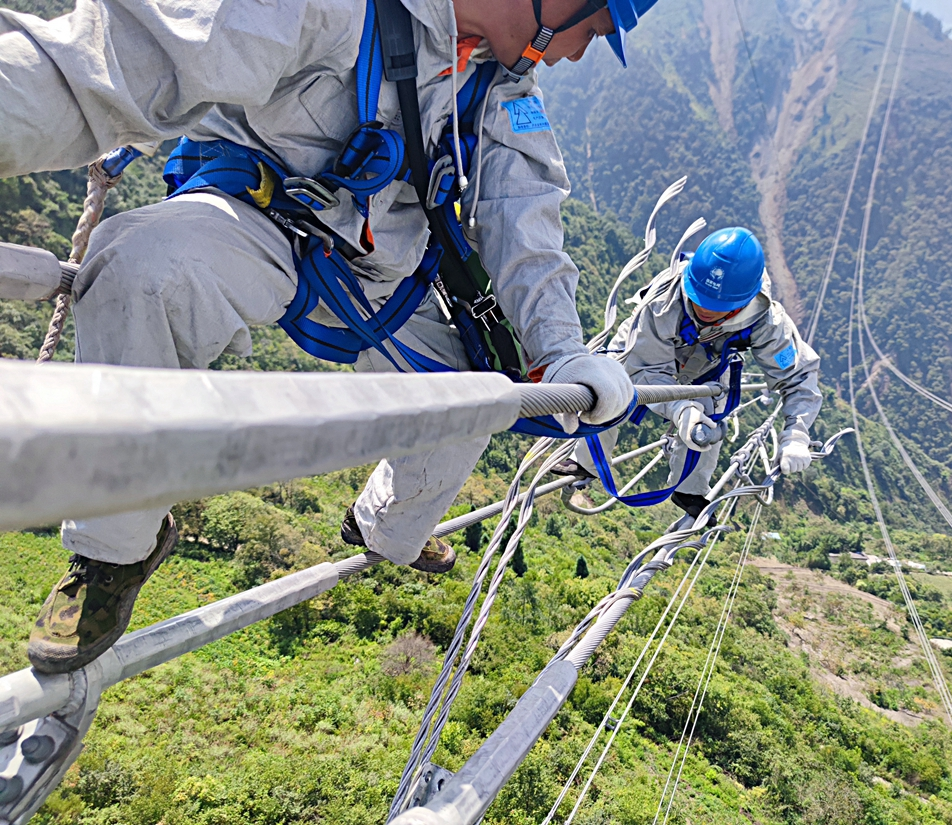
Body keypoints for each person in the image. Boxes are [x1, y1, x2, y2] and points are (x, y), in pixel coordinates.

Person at [0, 0, 664, 673]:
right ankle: (116, 549)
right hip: (252, 221)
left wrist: (562, 350)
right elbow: (115, 64)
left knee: (476, 400)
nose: (577, 52)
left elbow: (525, 221)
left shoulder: (501, 82)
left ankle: (385, 527)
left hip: (378, 274)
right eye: (593, 27)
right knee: (135, 268)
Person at [553, 227, 822, 520]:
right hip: (644, 348)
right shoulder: (663, 300)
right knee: (610, 389)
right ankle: (586, 462)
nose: (704, 309)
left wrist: (796, 433)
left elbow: (797, 377)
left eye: (717, 306)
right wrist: (680, 410)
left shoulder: (766, 321)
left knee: (708, 421)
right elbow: (645, 371)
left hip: (709, 362)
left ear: (743, 303)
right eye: (699, 298)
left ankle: (689, 490)